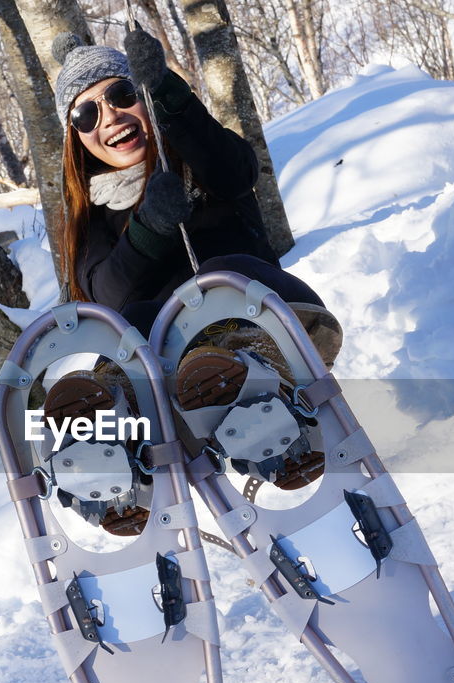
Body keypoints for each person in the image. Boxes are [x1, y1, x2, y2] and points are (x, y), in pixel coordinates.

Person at [46, 29, 339, 532]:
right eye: (86, 113)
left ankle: (258, 400)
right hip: (173, 377)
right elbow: (106, 293)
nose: (110, 116)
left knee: (224, 284)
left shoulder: (194, 157)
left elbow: (233, 170)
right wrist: (150, 228)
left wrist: (169, 93)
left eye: (121, 95)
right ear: (76, 138)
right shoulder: (90, 219)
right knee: (130, 335)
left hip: (280, 328)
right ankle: (115, 467)